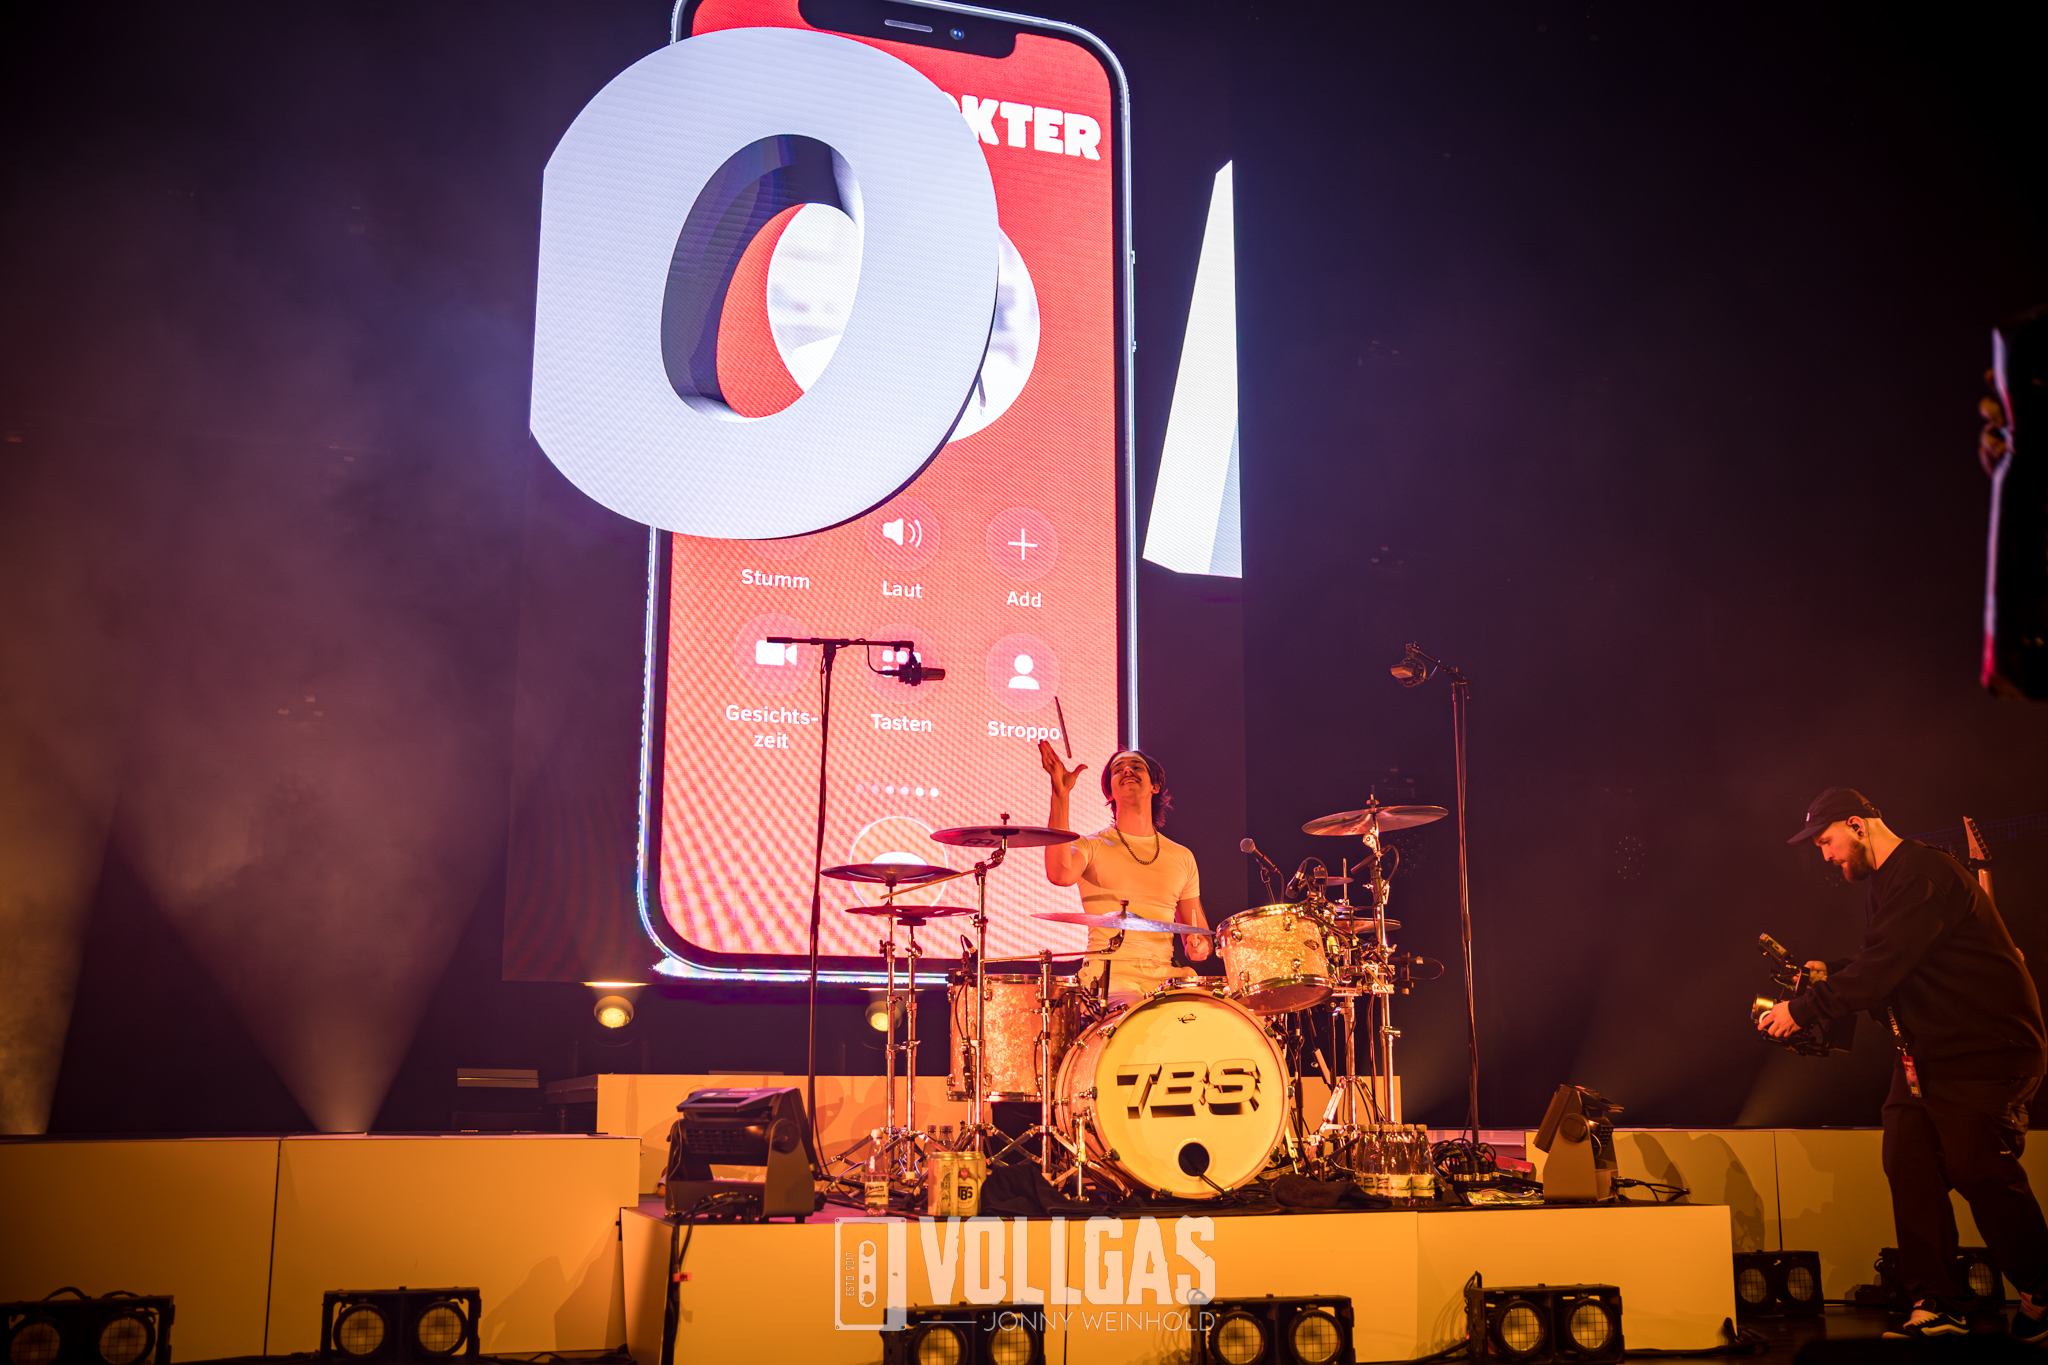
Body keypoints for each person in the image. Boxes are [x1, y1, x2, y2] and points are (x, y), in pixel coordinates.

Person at [1760, 787, 2048, 1340]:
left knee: (1978, 1170)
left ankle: (2044, 1284)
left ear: (1857, 824)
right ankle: (1938, 1300)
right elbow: (1895, 961)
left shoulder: (1923, 874)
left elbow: (1884, 968)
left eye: (1826, 841)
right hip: (1927, 1054)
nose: (1825, 855)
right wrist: (1832, 972)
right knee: (1908, 1163)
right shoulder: (1888, 881)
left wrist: (1803, 1008)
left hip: (1985, 1051)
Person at [1037, 742, 1211, 1003]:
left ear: (1154, 786)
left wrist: (1200, 946)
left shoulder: (1182, 856)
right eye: (1118, 769)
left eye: (1136, 766)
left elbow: (1197, 934)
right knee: (1140, 1013)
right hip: (1107, 979)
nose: (1127, 770)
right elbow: (1059, 874)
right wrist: (1060, 795)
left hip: (1165, 978)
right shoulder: (1091, 846)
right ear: (1110, 791)